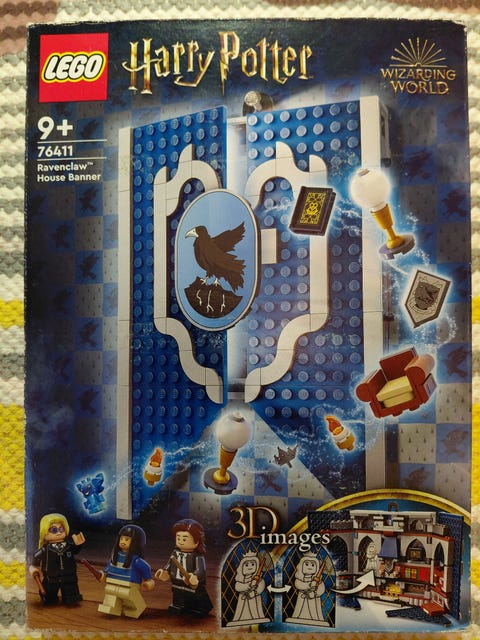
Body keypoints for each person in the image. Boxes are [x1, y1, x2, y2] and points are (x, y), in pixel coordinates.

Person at [156, 518, 213, 616]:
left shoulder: (197, 556)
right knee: (178, 594)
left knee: (196, 596)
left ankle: (199, 608)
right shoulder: (175, 553)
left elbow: (201, 570)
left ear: (197, 540)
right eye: (178, 538)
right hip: (177, 581)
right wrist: (165, 571)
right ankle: (178, 605)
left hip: (191, 582)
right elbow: (169, 564)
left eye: (184, 539)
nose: (181, 542)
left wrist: (194, 576)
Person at [98, 524, 154, 618]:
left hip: (129, 584)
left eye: (127, 540)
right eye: (122, 539)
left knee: (129, 597)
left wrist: (148, 580)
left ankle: (134, 609)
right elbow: (109, 567)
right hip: (112, 582)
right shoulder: (114, 557)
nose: (123, 542)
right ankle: (111, 607)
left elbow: (145, 567)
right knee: (111, 594)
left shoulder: (135, 560)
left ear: (135, 542)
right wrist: (104, 574)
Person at [29, 513, 85, 605]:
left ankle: (71, 598)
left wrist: (79, 544)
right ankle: (49, 599)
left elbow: (75, 550)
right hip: (51, 577)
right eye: (54, 530)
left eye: (61, 529)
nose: (59, 532)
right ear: (44, 532)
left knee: (71, 593)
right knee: (49, 594)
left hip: (69, 576)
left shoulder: (68, 546)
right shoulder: (45, 550)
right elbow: (35, 559)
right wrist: (33, 567)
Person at [227, 550, 270, 626]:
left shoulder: (259, 580)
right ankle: (240, 619)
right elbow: (237, 587)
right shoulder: (241, 580)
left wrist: (254, 592)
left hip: (254, 598)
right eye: (246, 565)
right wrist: (248, 585)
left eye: (253, 564)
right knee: (242, 610)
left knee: (255, 610)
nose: (250, 567)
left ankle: (257, 618)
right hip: (243, 599)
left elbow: (261, 587)